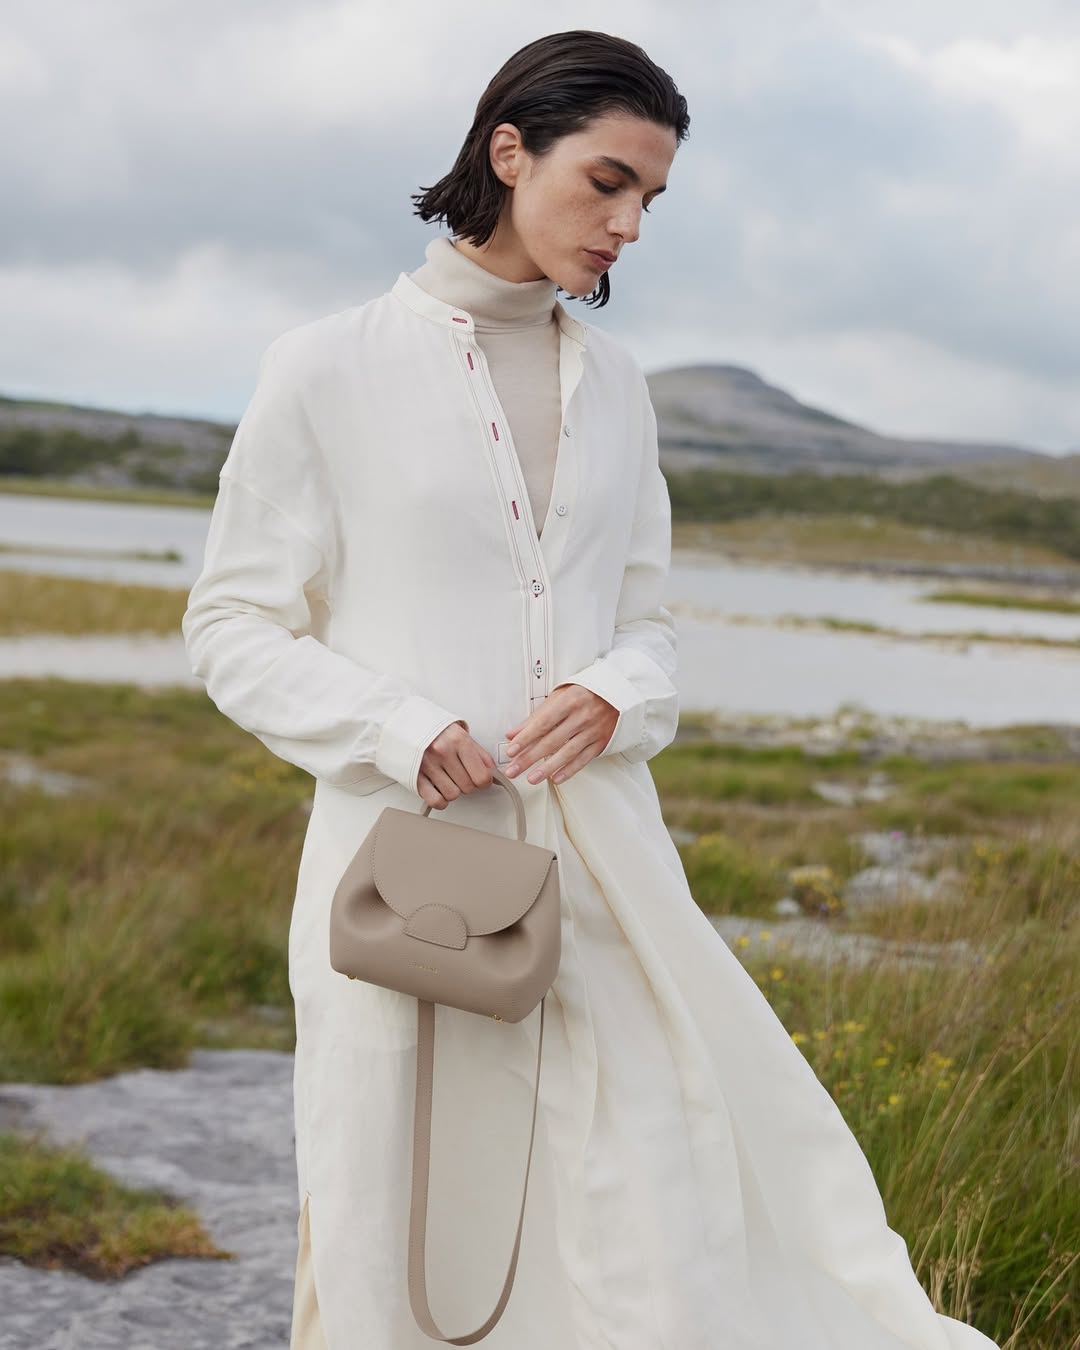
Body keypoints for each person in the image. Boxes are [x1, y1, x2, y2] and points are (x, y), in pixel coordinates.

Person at [182, 28, 1002, 1350]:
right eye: (607, 182)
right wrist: (397, 725)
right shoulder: (326, 367)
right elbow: (230, 624)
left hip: (607, 861)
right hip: (410, 866)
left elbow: (648, 624)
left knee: (657, 1188)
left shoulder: (618, 387)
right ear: (509, 152)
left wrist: (617, 690)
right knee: (408, 1214)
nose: (627, 224)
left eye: (650, 200)